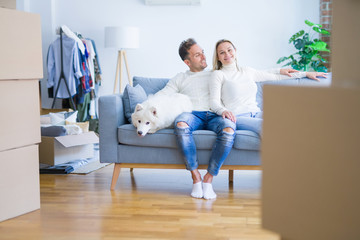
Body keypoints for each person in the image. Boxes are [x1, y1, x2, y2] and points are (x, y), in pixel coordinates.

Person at [156, 38, 236, 200]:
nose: (204, 57)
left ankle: (208, 179)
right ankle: (195, 177)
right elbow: (162, 95)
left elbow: (244, 76)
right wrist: (142, 108)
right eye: (198, 55)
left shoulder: (216, 73)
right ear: (187, 61)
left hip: (215, 114)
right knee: (180, 124)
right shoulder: (180, 78)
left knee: (229, 129)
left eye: (203, 53)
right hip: (192, 114)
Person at [210, 39, 328, 135]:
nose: (227, 54)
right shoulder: (218, 74)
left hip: (256, 112)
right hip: (238, 116)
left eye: (229, 50)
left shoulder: (247, 71)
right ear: (218, 57)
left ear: (235, 51)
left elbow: (273, 76)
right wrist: (223, 110)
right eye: (222, 52)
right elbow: (214, 102)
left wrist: (305, 74)